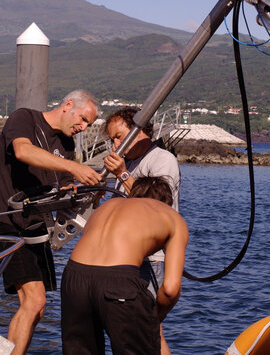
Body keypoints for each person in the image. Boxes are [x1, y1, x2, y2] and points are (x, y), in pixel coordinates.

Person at [0, 89, 102, 354]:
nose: (83, 128)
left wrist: (85, 192)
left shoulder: (66, 145)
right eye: (82, 119)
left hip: (37, 224)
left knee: (38, 305)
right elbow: (23, 151)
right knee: (33, 301)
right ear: (68, 105)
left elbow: (64, 188)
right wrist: (74, 168)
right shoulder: (25, 118)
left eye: (88, 125)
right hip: (8, 218)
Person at [60, 176, 189, 354]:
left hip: (74, 276)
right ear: (166, 201)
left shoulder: (105, 208)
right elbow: (170, 289)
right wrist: (155, 317)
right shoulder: (172, 217)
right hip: (119, 282)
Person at [103, 106, 181, 354]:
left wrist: (122, 173)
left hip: (151, 257)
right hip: (128, 256)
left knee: (146, 328)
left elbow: (156, 208)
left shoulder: (162, 160)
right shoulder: (129, 161)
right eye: (111, 139)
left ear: (138, 132)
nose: (114, 144)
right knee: (149, 330)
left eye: (118, 136)